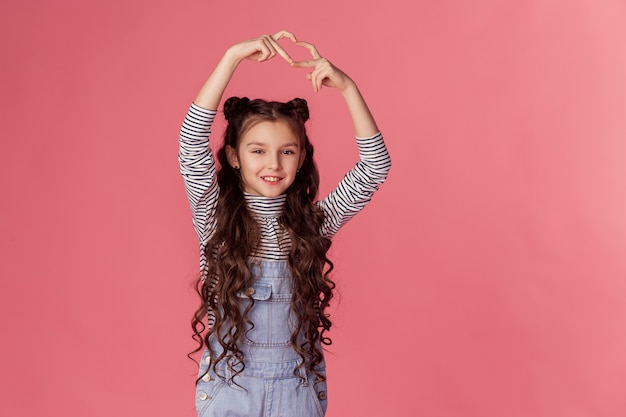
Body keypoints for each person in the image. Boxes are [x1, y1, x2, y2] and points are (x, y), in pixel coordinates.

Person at [179, 30, 391, 417]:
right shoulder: (214, 215)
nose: (273, 164)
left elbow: (374, 167)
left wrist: (348, 87)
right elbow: (191, 146)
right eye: (257, 150)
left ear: (301, 158)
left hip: (298, 387)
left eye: (287, 151)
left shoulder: (313, 223)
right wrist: (231, 57)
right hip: (231, 386)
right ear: (233, 156)